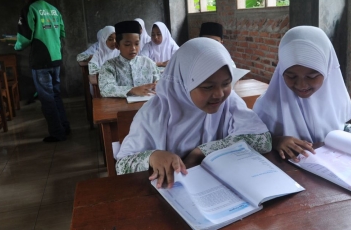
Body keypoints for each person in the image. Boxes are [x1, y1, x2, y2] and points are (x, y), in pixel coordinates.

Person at [116, 38, 272, 188]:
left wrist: (201, 151)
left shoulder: (229, 101)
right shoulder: (153, 114)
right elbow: (122, 165)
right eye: (207, 87)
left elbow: (262, 139)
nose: (219, 94)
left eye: (226, 83)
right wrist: (152, 157)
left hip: (217, 186)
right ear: (183, 84)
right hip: (170, 190)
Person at [253, 25, 351, 161]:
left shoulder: (334, 99)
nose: (301, 84)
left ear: (328, 70)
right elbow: (247, 139)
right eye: (291, 76)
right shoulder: (266, 106)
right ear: (280, 72)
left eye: (312, 76)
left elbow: (334, 131)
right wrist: (276, 141)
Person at [15, 0, 70, 143]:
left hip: (41, 60)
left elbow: (25, 36)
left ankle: (57, 133)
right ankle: (65, 127)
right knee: (56, 95)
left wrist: (16, 45)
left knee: (46, 98)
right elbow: (62, 33)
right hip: (56, 58)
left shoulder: (29, 9)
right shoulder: (53, 9)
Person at [99, 20, 160, 98]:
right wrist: (132, 90)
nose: (133, 48)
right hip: (120, 108)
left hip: (148, 107)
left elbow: (160, 81)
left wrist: (158, 84)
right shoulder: (109, 66)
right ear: (117, 45)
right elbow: (105, 88)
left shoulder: (149, 63)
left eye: (137, 44)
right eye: (127, 44)